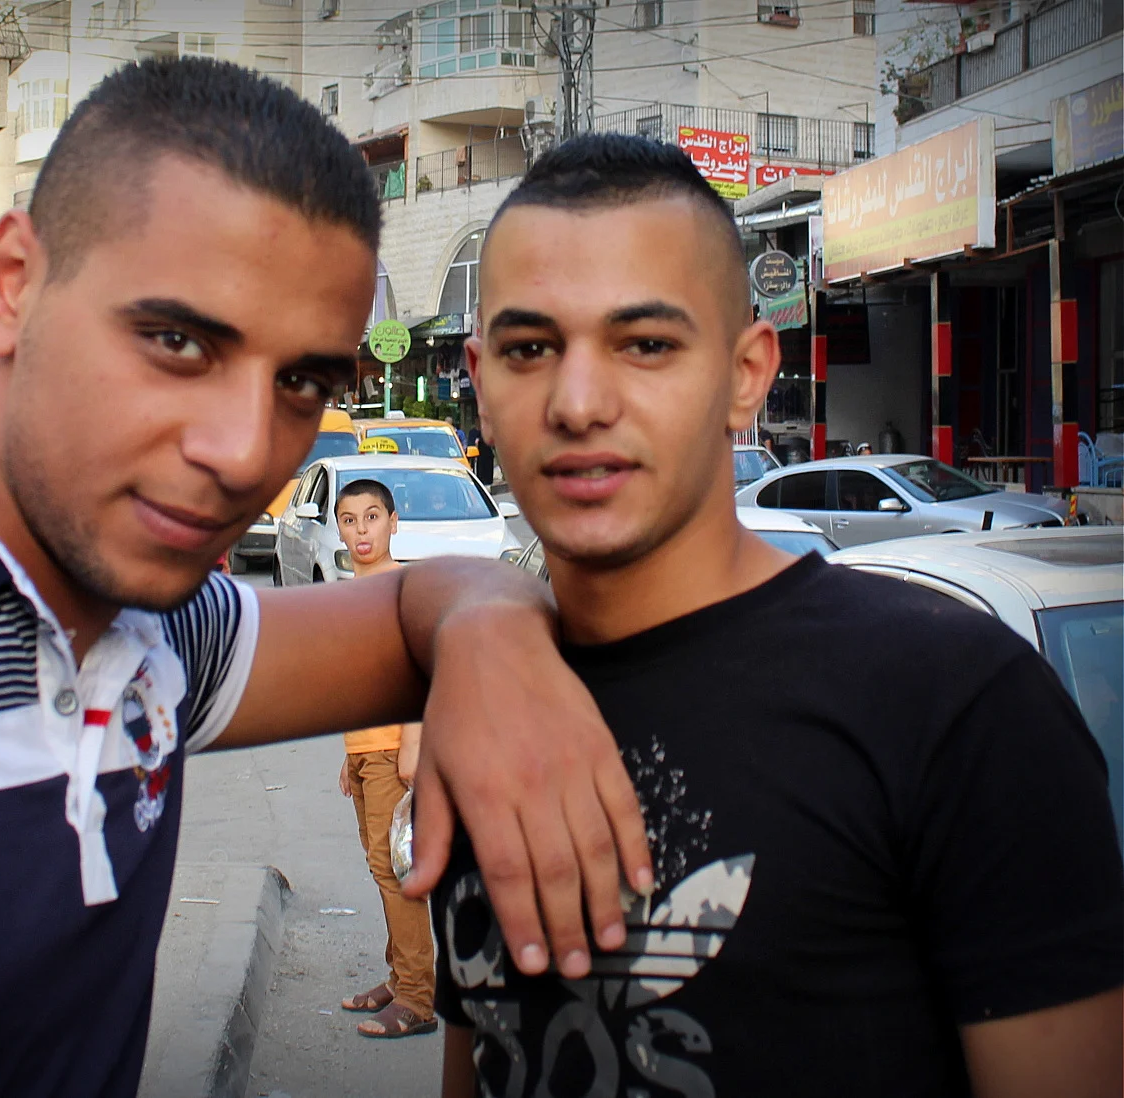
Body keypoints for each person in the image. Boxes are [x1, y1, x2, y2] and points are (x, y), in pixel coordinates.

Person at [0, 61, 656, 1096]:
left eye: (301, 381)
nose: (243, 451)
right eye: (177, 341)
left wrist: (488, 629)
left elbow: (417, 604)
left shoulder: (159, 639)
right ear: (9, 289)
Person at [435, 134, 1123, 1098]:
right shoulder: (482, 701)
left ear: (747, 374)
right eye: (528, 350)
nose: (578, 403)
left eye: (646, 345)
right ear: (479, 379)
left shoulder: (954, 702)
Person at [333, 478, 437, 1039]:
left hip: (396, 751)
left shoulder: (403, 588)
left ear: (393, 522)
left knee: (397, 871)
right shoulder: (351, 592)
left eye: (372, 517)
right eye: (349, 520)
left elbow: (421, 671)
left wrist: (413, 747)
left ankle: (417, 998)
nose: (362, 530)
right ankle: (400, 980)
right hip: (364, 751)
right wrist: (348, 755)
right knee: (382, 867)